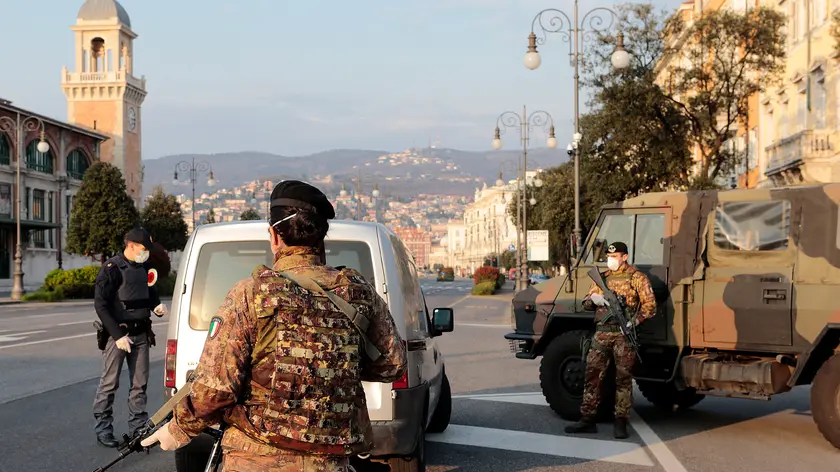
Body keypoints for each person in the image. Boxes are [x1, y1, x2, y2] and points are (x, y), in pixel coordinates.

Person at [141, 180, 408, 472]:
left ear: (274, 236)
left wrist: (179, 428)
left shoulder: (250, 294)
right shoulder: (358, 292)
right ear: (321, 236)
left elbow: (217, 390)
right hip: (329, 462)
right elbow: (393, 364)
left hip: (256, 460)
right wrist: (335, 361)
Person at [564, 241, 657, 439]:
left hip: (624, 336)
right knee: (591, 375)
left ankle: (620, 421)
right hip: (602, 334)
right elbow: (586, 303)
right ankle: (587, 419)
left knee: (623, 379)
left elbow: (650, 306)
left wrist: (634, 322)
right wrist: (594, 300)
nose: (611, 260)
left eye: (615, 256)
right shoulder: (602, 278)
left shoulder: (637, 278)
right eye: (609, 256)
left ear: (624, 257)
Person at [93, 227, 168, 447]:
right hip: (119, 336)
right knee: (109, 384)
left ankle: (138, 428)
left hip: (141, 334)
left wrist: (156, 306)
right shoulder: (112, 268)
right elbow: (101, 304)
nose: (146, 253)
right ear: (131, 245)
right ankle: (103, 429)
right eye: (144, 249)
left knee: (139, 385)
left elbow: (148, 293)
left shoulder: (142, 267)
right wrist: (116, 335)